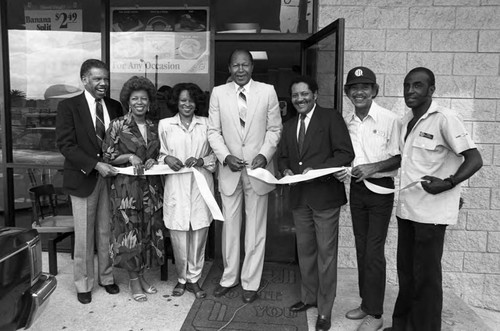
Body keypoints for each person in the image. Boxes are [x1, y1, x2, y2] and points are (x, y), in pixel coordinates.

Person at [384, 67, 483, 331]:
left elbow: (474, 159)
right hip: (407, 211)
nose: (410, 91)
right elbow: (405, 162)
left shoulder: (445, 118)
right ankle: (401, 326)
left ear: (431, 90)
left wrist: (448, 183)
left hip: (431, 215)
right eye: (406, 85)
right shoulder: (407, 121)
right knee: (406, 275)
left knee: (426, 279)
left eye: (417, 86)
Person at [278, 76, 355, 331]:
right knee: (306, 253)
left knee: (326, 255)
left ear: (315, 94)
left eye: (304, 94)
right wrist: (286, 170)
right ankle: (308, 298)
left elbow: (346, 153)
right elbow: (283, 157)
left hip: (325, 198)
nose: (300, 99)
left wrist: (317, 169)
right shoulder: (289, 126)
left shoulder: (330, 118)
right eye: (295, 95)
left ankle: (325, 310)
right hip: (300, 198)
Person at [207, 49, 282, 304]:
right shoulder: (218, 93)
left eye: (245, 65)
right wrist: (225, 156)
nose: (241, 69)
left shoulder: (267, 91)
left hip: (258, 170)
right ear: (229, 67)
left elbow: (275, 129)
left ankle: (251, 282)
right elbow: (213, 132)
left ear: (252, 67)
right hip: (230, 170)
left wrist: (265, 153)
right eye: (236, 65)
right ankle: (229, 278)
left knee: (255, 229)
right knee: (230, 228)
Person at [334, 67, 401, 331]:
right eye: (353, 88)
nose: (359, 92)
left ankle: (376, 313)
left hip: (381, 189)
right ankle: (366, 303)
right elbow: (349, 157)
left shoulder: (389, 119)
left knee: (374, 252)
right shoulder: (346, 122)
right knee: (362, 249)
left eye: (365, 87)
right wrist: (344, 171)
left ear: (374, 91)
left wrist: (374, 167)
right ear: (347, 93)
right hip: (358, 190)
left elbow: (399, 156)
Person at [55, 59, 122, 304]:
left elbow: (120, 140)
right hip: (84, 179)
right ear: (84, 80)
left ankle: (107, 278)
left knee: (107, 232)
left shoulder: (115, 106)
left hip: (111, 179)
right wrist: (95, 164)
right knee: (84, 236)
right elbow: (65, 144)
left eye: (105, 78)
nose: (103, 83)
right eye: (97, 79)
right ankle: (83, 283)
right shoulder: (68, 106)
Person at [102, 76, 165, 302]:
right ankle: (133, 281)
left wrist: (152, 161)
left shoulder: (153, 126)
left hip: (150, 189)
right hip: (126, 191)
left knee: (147, 233)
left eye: (144, 99)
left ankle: (142, 276)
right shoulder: (118, 125)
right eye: (135, 98)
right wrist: (129, 156)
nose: (140, 102)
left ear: (149, 103)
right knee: (129, 235)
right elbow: (108, 157)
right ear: (128, 101)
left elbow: (158, 155)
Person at [158, 82, 217, 299]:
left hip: (201, 184)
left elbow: (217, 155)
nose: (187, 104)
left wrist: (202, 160)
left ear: (197, 102)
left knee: (200, 232)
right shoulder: (165, 125)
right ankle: (181, 279)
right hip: (176, 185)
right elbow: (159, 155)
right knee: (178, 233)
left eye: (191, 100)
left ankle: (194, 279)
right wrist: (167, 158)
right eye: (183, 100)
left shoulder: (207, 124)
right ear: (176, 102)